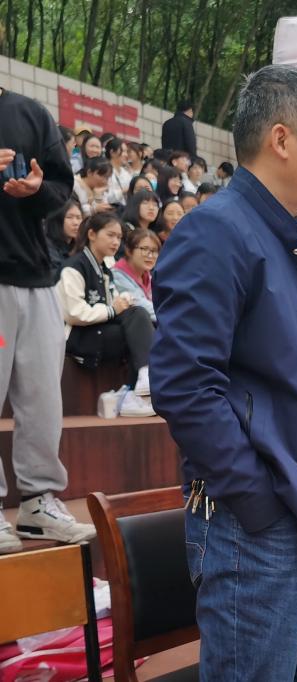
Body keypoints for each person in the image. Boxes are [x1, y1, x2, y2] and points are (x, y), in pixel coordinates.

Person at [150, 64, 297, 681]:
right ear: (282, 139)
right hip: (262, 520)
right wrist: (258, 500)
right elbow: (184, 386)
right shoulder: (217, 230)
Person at [0, 84, 96, 553]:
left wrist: (37, 190)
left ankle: (38, 503)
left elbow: (61, 187)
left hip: (36, 275)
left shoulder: (29, 112)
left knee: (42, 398)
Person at [57, 213, 155, 416]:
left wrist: (123, 303)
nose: (116, 242)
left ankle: (137, 386)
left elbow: (115, 306)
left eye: (119, 237)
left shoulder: (105, 270)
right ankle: (137, 387)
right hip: (77, 336)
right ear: (92, 234)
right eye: (110, 235)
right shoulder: (74, 267)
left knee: (138, 315)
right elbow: (74, 313)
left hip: (99, 330)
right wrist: (112, 309)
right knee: (136, 327)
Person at [111, 228, 160, 322]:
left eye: (154, 251)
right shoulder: (116, 275)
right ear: (129, 251)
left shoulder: (148, 277)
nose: (150, 256)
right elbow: (141, 306)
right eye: (144, 249)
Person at [44, 199, 83, 270]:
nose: (76, 223)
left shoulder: (78, 245)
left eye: (78, 218)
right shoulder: (47, 245)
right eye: (69, 217)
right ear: (57, 220)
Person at [103, 137, 132, 208]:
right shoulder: (104, 171)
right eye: (123, 151)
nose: (126, 155)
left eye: (126, 152)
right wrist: (124, 191)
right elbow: (106, 197)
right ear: (112, 152)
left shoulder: (126, 173)